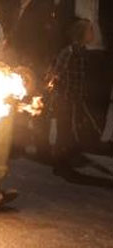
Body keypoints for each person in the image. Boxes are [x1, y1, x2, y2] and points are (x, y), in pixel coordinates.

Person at [56, 0, 113, 142]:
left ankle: (92, 140)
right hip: (77, 58)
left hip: (103, 57)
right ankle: (75, 141)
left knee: (100, 101)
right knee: (76, 102)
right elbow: (61, 29)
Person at [47, 20, 101, 178]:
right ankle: (59, 164)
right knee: (64, 133)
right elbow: (57, 74)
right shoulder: (69, 52)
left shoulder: (82, 51)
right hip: (65, 99)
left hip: (74, 99)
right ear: (82, 34)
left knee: (68, 131)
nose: (93, 34)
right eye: (90, 31)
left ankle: (63, 161)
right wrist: (58, 95)